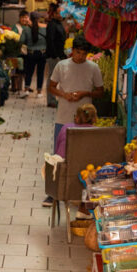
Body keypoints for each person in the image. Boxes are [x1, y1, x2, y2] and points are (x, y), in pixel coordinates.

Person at [43, 34, 103, 205]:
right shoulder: (62, 66)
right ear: (72, 51)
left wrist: (85, 93)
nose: (80, 57)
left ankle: (82, 190)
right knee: (58, 155)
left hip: (85, 119)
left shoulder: (93, 68)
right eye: (77, 53)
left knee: (83, 154)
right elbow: (51, 87)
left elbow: (100, 91)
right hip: (63, 115)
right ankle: (53, 192)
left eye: (83, 54)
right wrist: (65, 94)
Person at [45, 3, 66, 108]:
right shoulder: (52, 24)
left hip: (58, 55)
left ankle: (53, 99)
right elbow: (50, 40)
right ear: (54, 14)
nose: (61, 14)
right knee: (52, 78)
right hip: (53, 55)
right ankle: (51, 100)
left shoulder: (58, 23)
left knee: (55, 78)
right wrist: (55, 55)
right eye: (59, 13)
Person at [20, 11, 47, 95]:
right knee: (40, 72)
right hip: (42, 53)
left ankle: (26, 89)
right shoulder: (44, 29)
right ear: (39, 19)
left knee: (29, 72)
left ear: (30, 18)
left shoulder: (26, 29)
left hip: (31, 53)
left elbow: (21, 41)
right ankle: (39, 92)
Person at [14, 9, 30, 96]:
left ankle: (26, 87)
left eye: (26, 17)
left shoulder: (29, 26)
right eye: (23, 17)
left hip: (28, 52)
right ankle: (18, 88)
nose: (24, 19)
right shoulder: (16, 27)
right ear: (20, 18)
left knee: (27, 70)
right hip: (19, 52)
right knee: (20, 70)